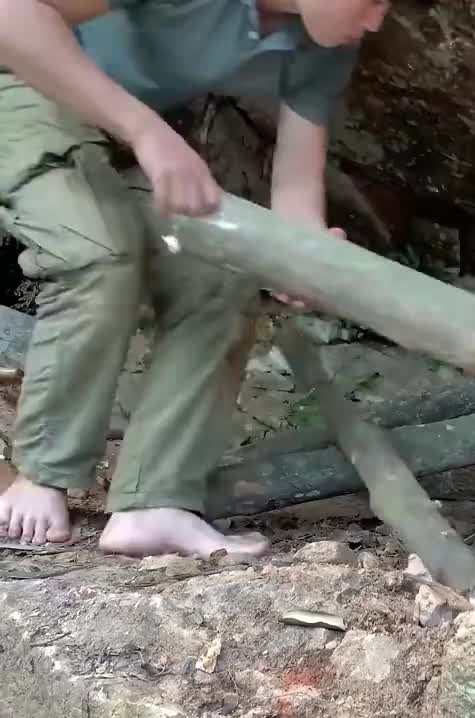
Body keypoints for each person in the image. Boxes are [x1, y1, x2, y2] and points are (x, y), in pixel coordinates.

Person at [0, 0, 389, 557]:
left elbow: (296, 193)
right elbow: (15, 14)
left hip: (112, 143)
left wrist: (301, 257)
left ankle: (153, 502)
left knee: (220, 273)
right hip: (21, 92)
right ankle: (41, 473)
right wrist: (147, 130)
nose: (378, 20)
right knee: (99, 250)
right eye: (373, 0)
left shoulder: (325, 44)